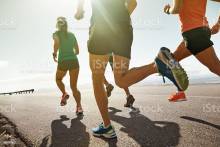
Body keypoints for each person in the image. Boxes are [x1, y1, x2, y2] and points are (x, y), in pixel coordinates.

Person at [75, 0, 188, 138]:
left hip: (100, 27)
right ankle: (158, 64)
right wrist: (119, 19)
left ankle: (107, 127)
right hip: (124, 28)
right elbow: (133, 3)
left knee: (97, 78)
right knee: (121, 80)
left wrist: (80, 9)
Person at [163, 0, 220, 100]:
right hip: (201, 30)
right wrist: (218, 25)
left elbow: (177, 9)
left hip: (193, 32)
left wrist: (168, 10)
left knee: (216, 67)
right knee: (172, 60)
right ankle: (180, 92)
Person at [53, 17, 83, 115]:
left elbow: (56, 43)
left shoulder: (56, 34)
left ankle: (64, 93)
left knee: (58, 79)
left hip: (63, 62)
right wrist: (71, 54)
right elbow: (77, 51)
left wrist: (54, 53)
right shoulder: (72, 35)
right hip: (74, 61)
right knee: (74, 87)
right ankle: (79, 107)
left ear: (58, 25)